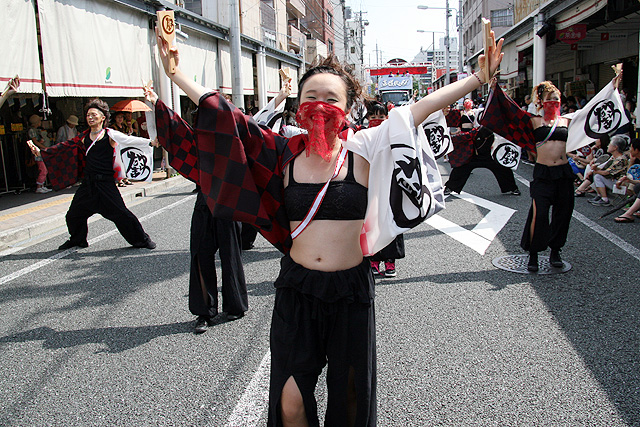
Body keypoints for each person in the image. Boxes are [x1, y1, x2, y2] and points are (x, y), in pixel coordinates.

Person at [149, 24, 503, 426]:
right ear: (298, 106)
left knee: (350, 399)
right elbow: (228, 118)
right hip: (296, 289)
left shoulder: (366, 147)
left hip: (351, 290)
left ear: (349, 107)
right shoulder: (281, 152)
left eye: (331, 99)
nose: (320, 106)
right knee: (290, 401)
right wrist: (176, 73)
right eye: (311, 98)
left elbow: (417, 110)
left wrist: (478, 79)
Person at [481, 77, 623, 272]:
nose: (553, 102)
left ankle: (556, 250)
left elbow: (590, 111)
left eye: (556, 99)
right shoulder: (533, 121)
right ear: (541, 102)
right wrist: (495, 89)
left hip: (563, 172)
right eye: (549, 98)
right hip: (543, 173)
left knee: (563, 213)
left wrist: (611, 87)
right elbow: (510, 111)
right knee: (539, 213)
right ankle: (533, 252)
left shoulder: (567, 120)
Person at [27, 98, 156, 251]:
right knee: (73, 215)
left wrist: (150, 142)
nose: (90, 117)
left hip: (105, 184)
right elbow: (64, 147)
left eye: (94, 115)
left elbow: (129, 140)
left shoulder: (110, 134)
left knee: (121, 214)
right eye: (88, 115)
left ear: (103, 118)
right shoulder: (83, 136)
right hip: (88, 185)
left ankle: (142, 240)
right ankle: (78, 240)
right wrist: (41, 152)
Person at [190, 191, 248, 333]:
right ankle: (204, 311)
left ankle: (235, 305)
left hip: (230, 200)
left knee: (231, 256)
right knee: (201, 256)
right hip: (204, 201)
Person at [365, 101, 405, 277]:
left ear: (387, 117)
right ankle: (373, 259)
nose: (377, 120)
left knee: (391, 221)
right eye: (373, 117)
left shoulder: (394, 134)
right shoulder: (362, 134)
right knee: (371, 222)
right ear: (367, 118)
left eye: (381, 116)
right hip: (370, 184)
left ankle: (390, 260)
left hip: (391, 183)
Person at [443, 125, 520, 196]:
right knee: (460, 169)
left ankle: (513, 188)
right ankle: (450, 187)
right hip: (474, 156)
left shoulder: (497, 135)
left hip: (490, 157)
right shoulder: (475, 132)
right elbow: (461, 137)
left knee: (503, 169)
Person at [574, 135, 629, 206]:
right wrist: (593, 170)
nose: (608, 146)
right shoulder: (613, 157)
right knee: (596, 173)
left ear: (615, 147)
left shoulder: (620, 159)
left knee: (598, 176)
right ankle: (599, 196)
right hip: (613, 180)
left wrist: (594, 171)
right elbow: (603, 167)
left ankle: (604, 199)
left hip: (619, 183)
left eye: (610, 144)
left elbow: (606, 172)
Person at [27, 114, 52, 194]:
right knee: (43, 169)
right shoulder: (32, 130)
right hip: (38, 153)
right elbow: (35, 142)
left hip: (40, 152)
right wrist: (44, 147)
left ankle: (42, 185)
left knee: (44, 169)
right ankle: (39, 186)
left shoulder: (36, 130)